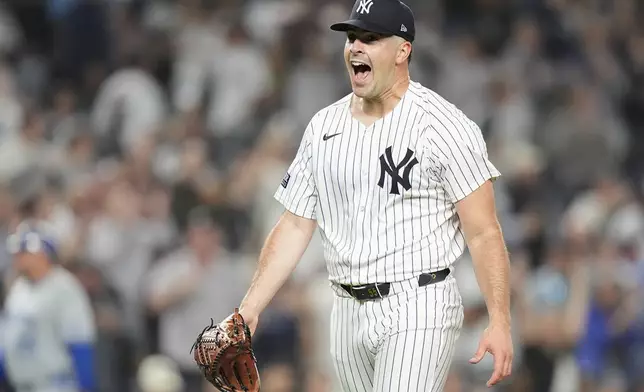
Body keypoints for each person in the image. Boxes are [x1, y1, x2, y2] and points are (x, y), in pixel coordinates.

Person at [236, 0, 513, 390]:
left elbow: (484, 231)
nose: (356, 47)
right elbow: (296, 223)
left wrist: (499, 320)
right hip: (345, 309)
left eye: (371, 38)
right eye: (352, 37)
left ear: (403, 50)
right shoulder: (323, 127)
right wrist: (250, 307)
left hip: (418, 302)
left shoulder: (444, 127)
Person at [0, 221, 97, 392]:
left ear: (42, 254)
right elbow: (9, 339)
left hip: (55, 384)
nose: (18, 257)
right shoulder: (19, 288)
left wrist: (86, 385)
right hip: (21, 385)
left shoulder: (64, 287)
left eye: (24, 252)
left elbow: (79, 341)